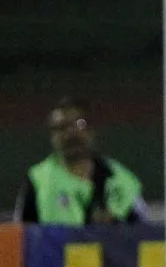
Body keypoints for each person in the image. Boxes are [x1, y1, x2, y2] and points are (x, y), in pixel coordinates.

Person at [14, 96, 146, 225]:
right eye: (61, 127)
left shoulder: (121, 179)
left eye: (79, 124)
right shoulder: (38, 180)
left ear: (91, 130)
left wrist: (115, 227)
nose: (70, 133)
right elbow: (20, 238)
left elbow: (147, 235)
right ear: (52, 136)